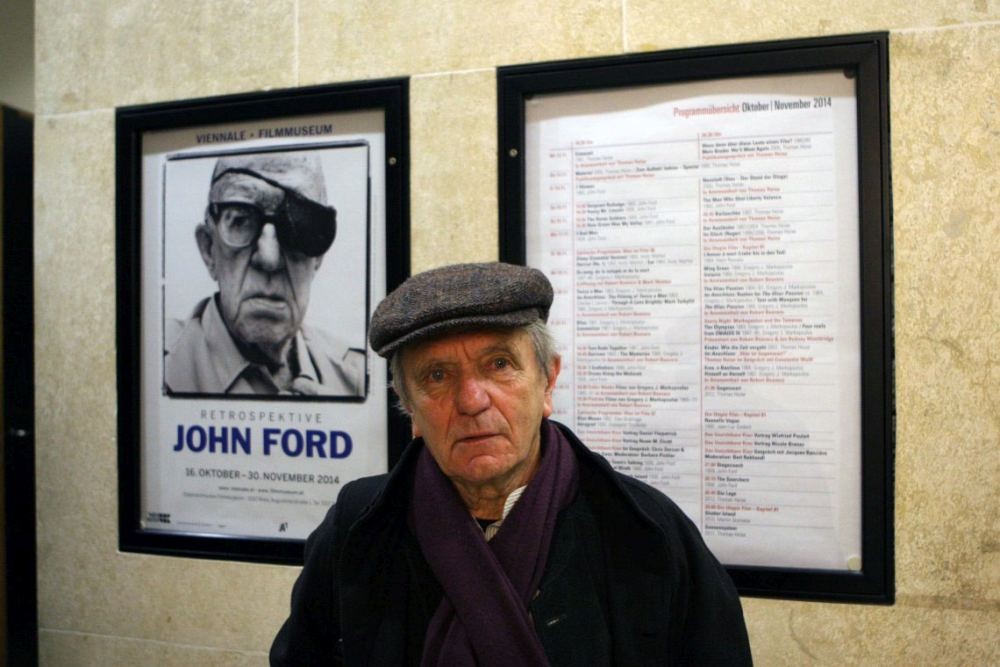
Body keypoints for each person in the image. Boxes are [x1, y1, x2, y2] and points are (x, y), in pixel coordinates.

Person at [271, 262, 752, 665]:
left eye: (499, 364)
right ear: (409, 407)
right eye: (437, 375)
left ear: (548, 381)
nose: (472, 400)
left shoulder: (644, 530)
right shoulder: (358, 526)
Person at [164, 152, 365, 397]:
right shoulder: (153, 371)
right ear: (208, 250)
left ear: (317, 258)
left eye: (296, 226)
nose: (269, 259)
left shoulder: (358, 381)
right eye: (240, 221)